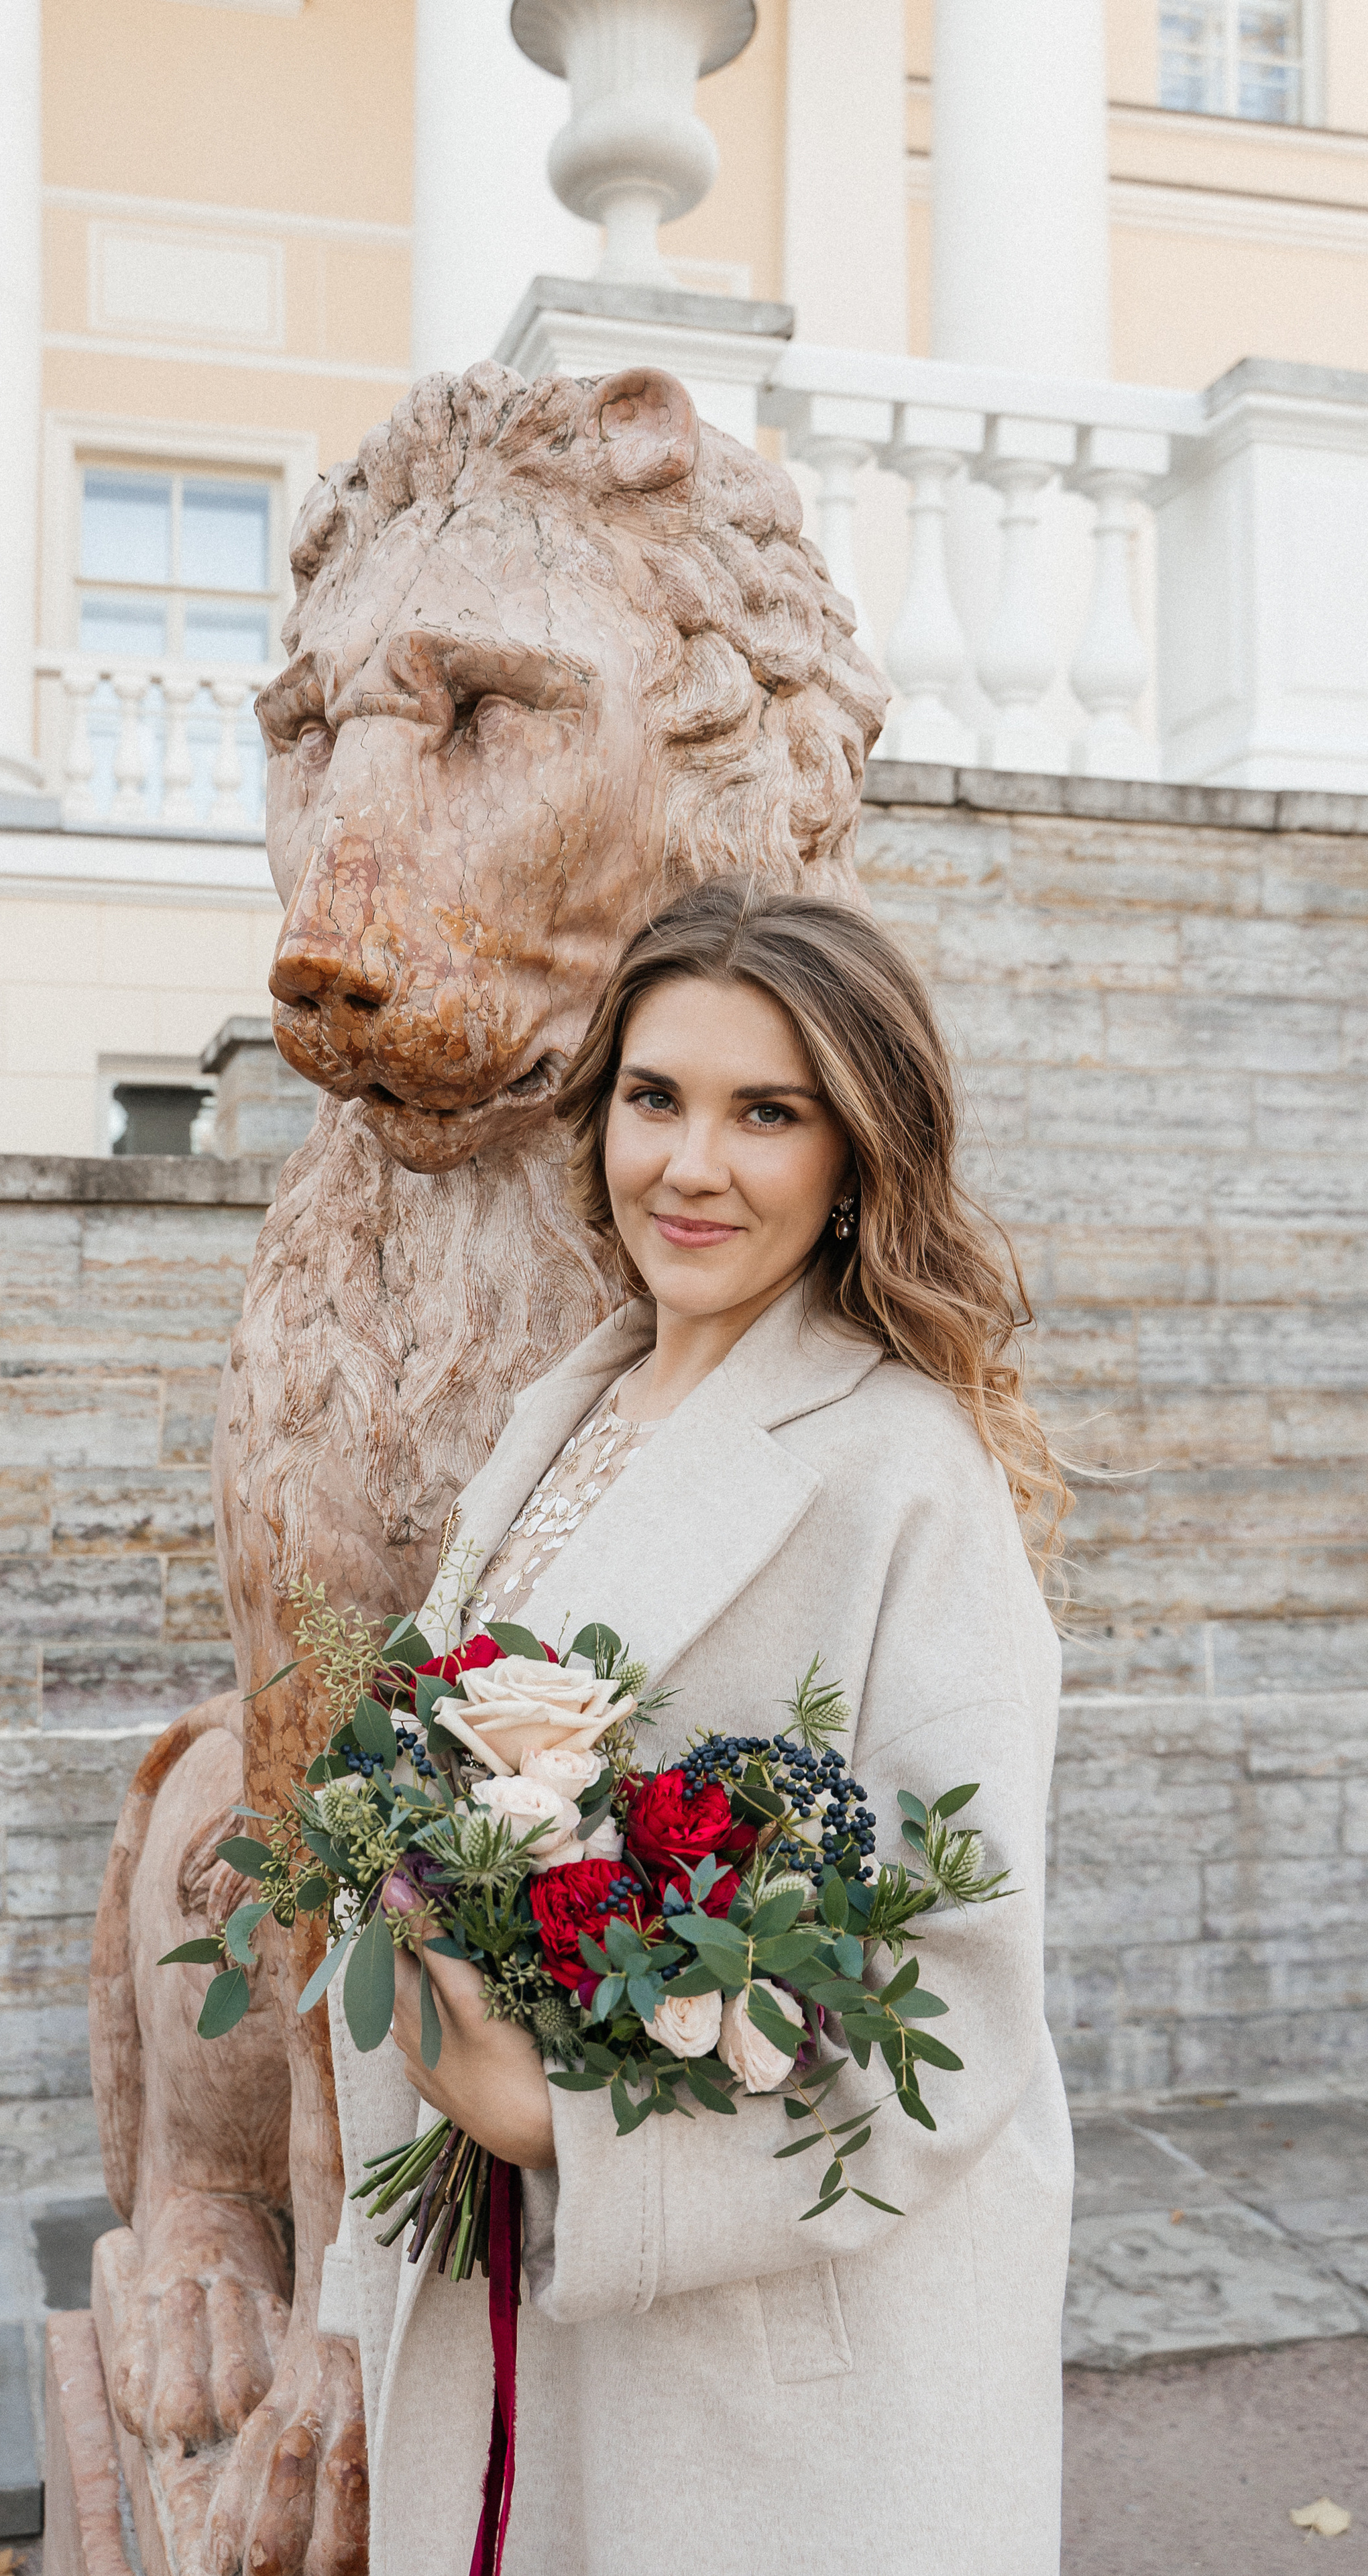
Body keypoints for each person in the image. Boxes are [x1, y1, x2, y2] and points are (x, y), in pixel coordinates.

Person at [318, 879, 1074, 2575]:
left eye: (766, 1112)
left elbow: (953, 1984)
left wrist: (559, 2128)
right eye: (655, 1098)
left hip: (785, 2366)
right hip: (522, 2297)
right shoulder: (567, 1405)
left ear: (855, 1154)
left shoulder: (903, 1472)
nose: (692, 1164)